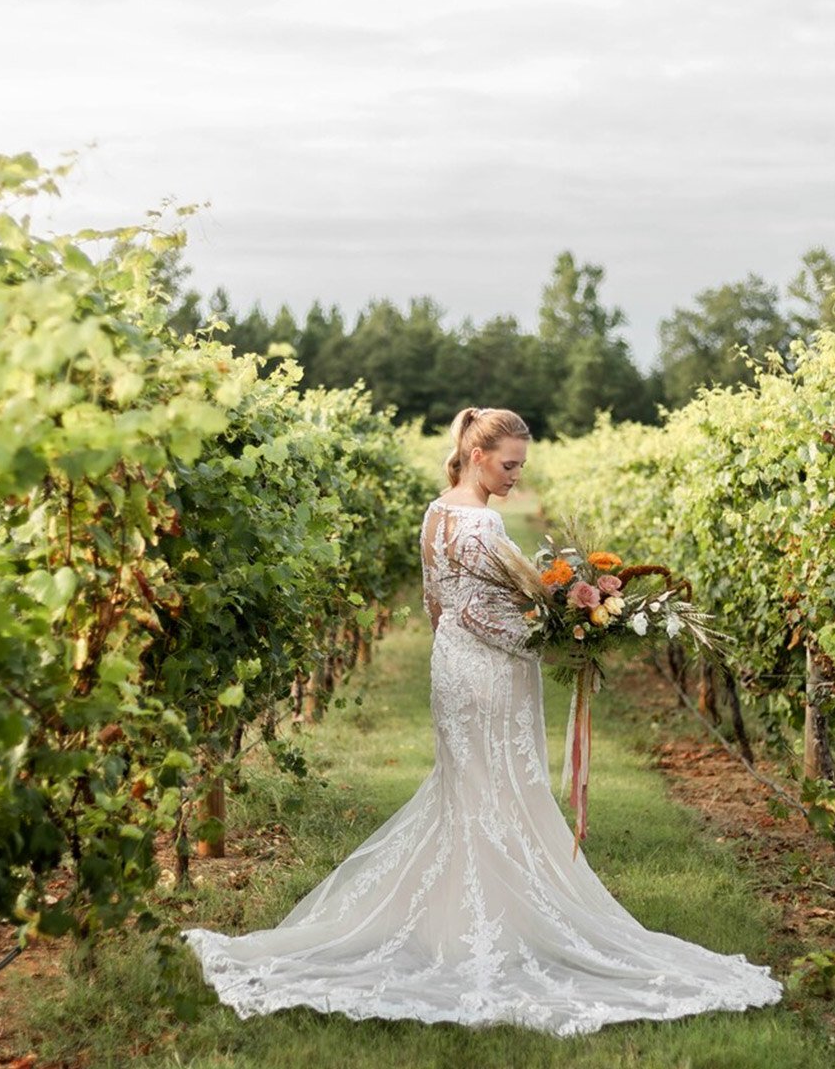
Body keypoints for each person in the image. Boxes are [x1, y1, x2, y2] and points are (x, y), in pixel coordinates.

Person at [181, 407, 785, 1035]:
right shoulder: (481, 523)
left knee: (468, 792)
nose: (517, 475)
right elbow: (486, 617)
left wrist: (551, 622)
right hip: (491, 674)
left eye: (522, 465)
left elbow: (437, 606)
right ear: (477, 455)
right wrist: (561, 640)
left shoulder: (436, 512)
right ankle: (486, 930)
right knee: (493, 792)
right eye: (509, 463)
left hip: (451, 670)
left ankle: (457, 921)